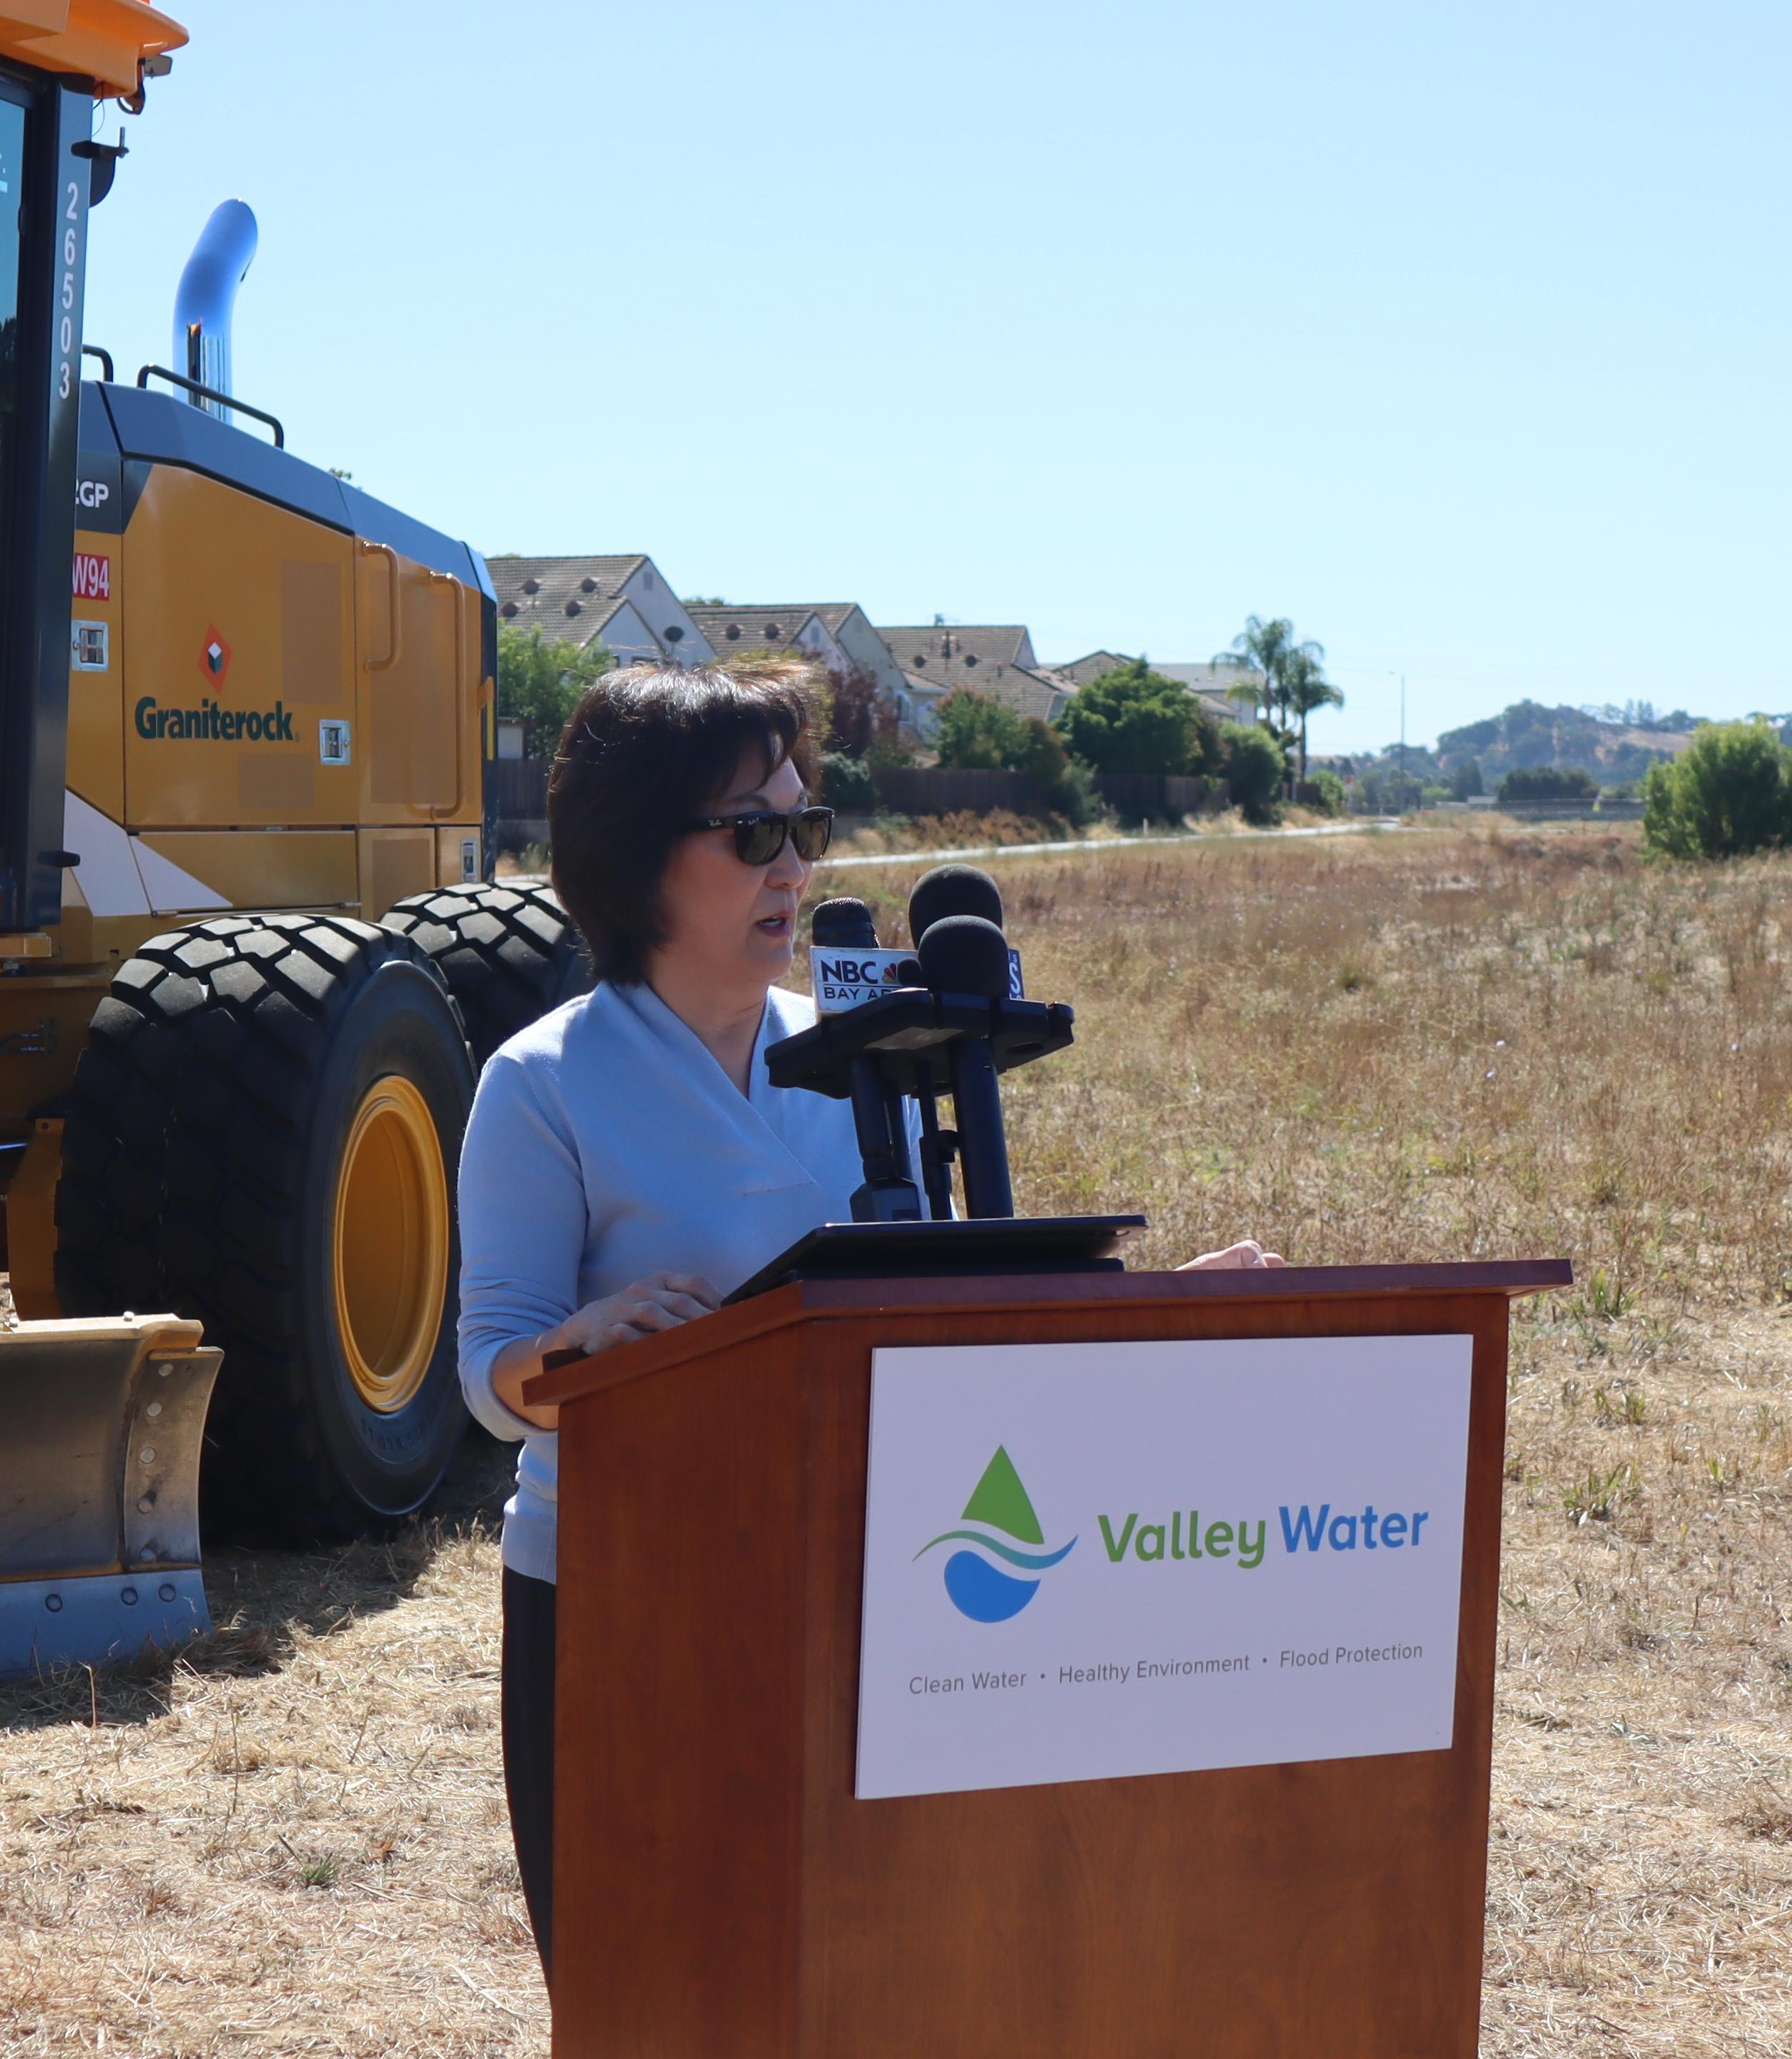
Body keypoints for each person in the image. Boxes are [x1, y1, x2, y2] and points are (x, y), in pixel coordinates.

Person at [453, 662, 1268, 1977]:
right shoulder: (543, 1085)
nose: (792, 866)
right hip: (630, 1612)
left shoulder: (867, 1050)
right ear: (637, 857)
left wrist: (1169, 1317)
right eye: (752, 832)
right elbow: (491, 1381)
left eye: (806, 827)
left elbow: (958, 1314)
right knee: (650, 2016)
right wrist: (590, 1343)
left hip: (869, 1597)